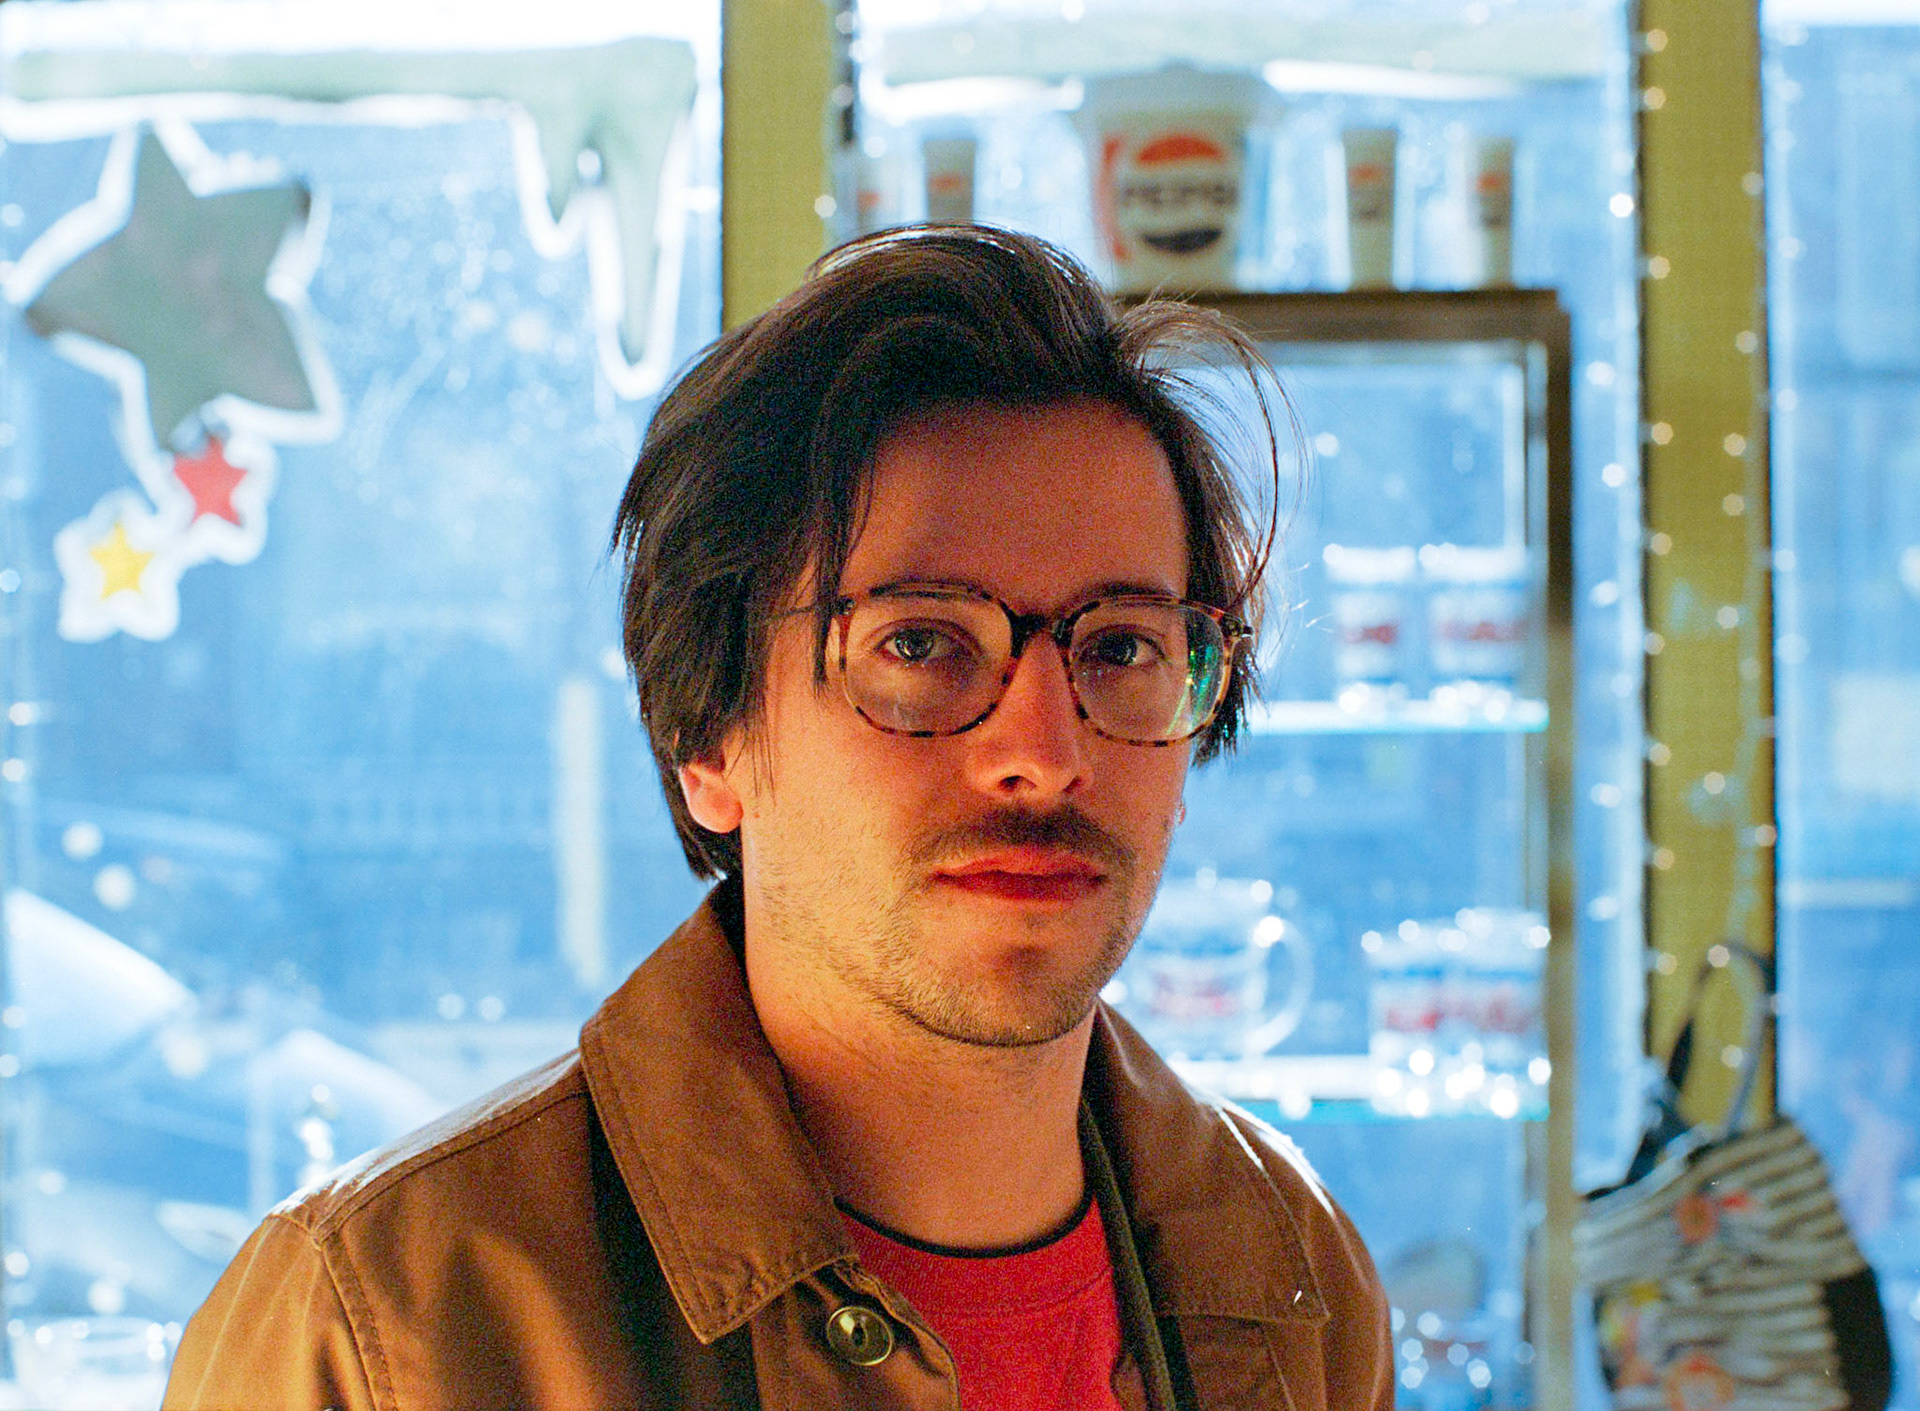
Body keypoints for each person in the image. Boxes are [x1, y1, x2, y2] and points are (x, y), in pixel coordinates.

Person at [164, 226, 1392, 1411]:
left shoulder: (1295, 1274)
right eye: (921, 644)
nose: (1043, 753)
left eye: (1121, 648)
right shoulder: (389, 1326)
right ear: (710, 739)